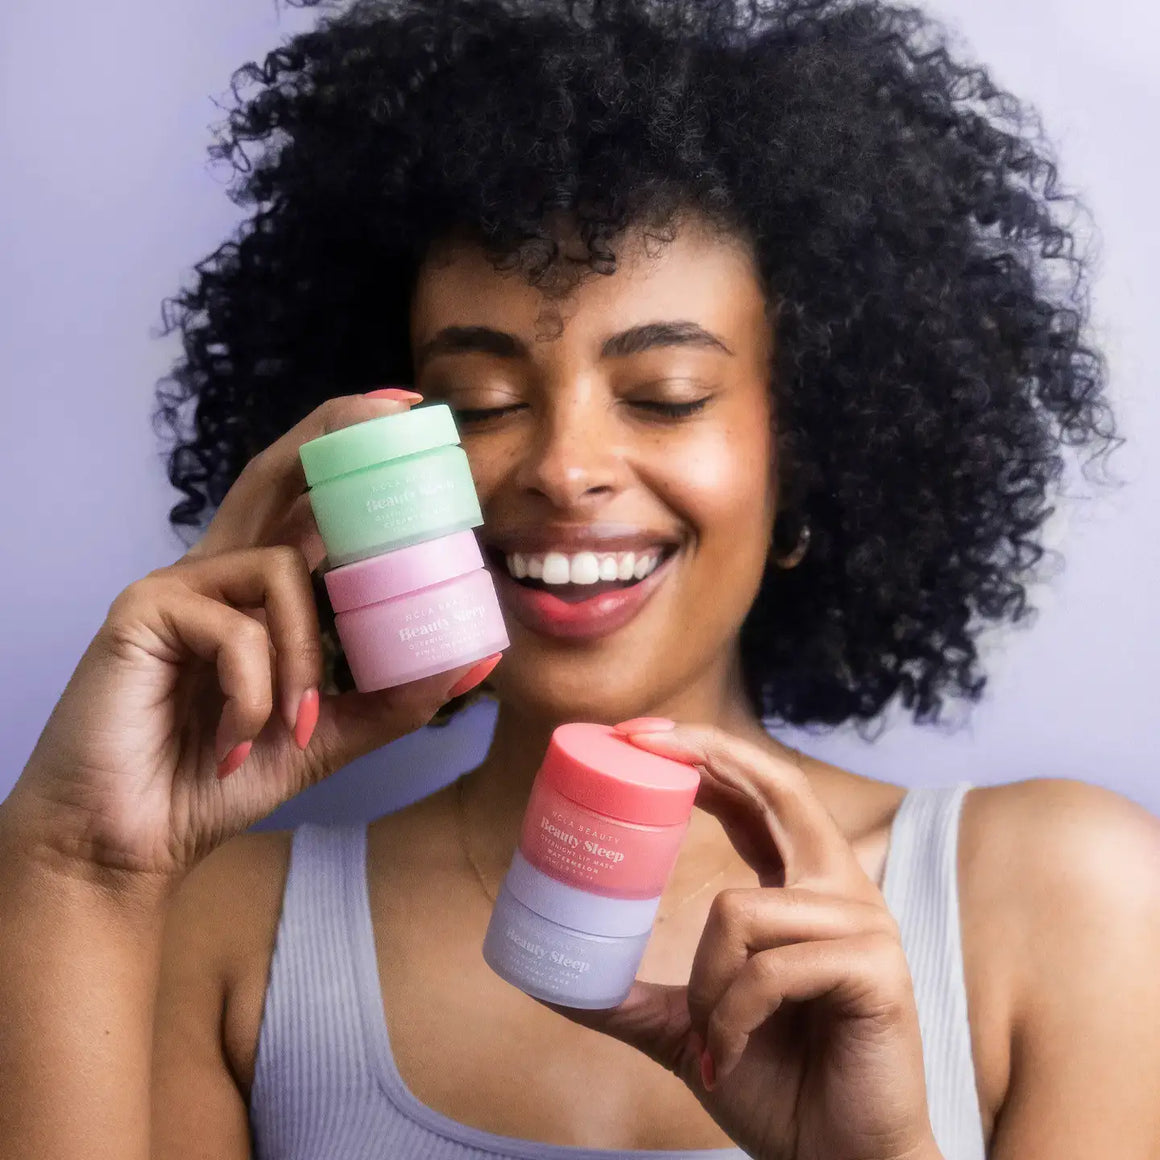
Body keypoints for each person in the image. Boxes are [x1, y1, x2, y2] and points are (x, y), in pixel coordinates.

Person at [2, 0, 1158, 1157]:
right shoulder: (221, 931)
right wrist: (76, 858)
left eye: (663, 394)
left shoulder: (1065, 901)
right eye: (478, 407)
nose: (561, 469)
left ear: (806, 448)